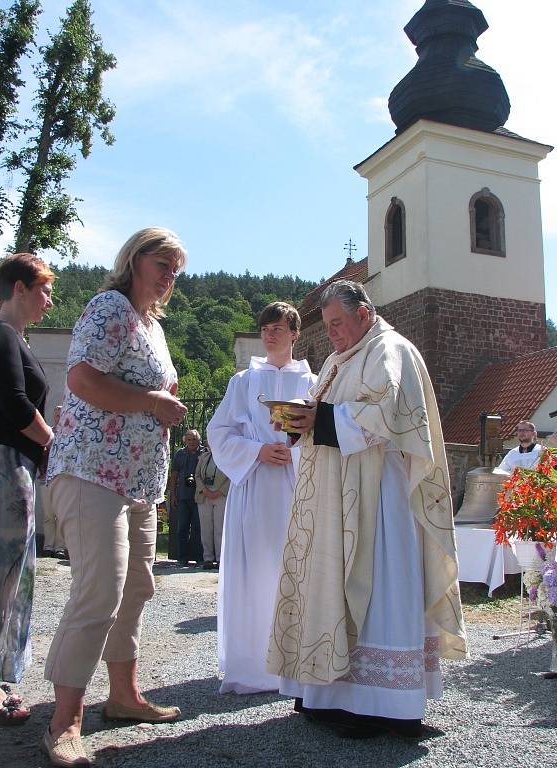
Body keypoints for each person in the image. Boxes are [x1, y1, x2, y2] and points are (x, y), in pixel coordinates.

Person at [267, 280, 467, 738]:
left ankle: (382, 706)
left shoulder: (389, 349)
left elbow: (387, 415)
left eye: (338, 323)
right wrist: (299, 419)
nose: (332, 333)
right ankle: (330, 696)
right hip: (335, 496)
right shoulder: (338, 360)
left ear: (364, 313)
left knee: (380, 590)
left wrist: (321, 420)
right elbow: (325, 414)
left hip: (380, 499)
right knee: (331, 588)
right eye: (328, 325)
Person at [42, 227, 188, 767]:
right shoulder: (110, 307)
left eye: (176, 267)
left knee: (137, 588)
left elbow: (144, 390)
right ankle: (65, 723)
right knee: (99, 589)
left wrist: (158, 401)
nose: (170, 273)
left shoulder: (152, 325)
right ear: (134, 259)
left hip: (137, 481)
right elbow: (80, 380)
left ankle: (123, 698)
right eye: (162, 261)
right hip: (92, 472)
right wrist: (152, 403)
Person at [207, 301, 316, 694]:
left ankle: (298, 662)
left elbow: (322, 436)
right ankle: (253, 665)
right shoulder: (242, 381)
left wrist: (295, 453)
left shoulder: (313, 382)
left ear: (294, 334)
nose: (270, 334)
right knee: (254, 573)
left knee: (297, 569)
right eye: (265, 328)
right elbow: (218, 432)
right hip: (254, 487)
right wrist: (256, 451)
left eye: (278, 328)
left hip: (296, 488)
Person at [0, 253, 55, 726]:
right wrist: (57, 443)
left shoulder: (14, 339)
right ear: (20, 288)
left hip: (15, 470)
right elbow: (13, 404)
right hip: (0, 469)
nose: (49, 300)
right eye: (44, 290)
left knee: (9, 577)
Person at [170, 429, 205, 566]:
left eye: (194, 439)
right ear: (185, 440)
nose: (192, 442)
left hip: (200, 496)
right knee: (182, 528)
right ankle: (182, 557)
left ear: (199, 440)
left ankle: (198, 556)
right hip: (183, 496)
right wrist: (172, 494)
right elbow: (174, 475)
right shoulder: (180, 453)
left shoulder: (205, 453)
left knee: (198, 527)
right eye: (189, 439)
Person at [195, 446, 229, 569]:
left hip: (221, 495)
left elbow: (231, 475)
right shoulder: (204, 457)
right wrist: (205, 490)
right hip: (205, 495)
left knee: (219, 527)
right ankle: (208, 558)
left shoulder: (227, 455)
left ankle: (220, 559)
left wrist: (219, 492)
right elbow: (197, 475)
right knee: (206, 528)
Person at [41, 406, 68, 559]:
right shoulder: (48, 433)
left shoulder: (69, 433)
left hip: (63, 478)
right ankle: (48, 546)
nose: (58, 417)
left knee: (61, 514)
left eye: (61, 414)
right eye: (56, 414)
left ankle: (60, 547)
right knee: (48, 514)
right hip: (46, 478)